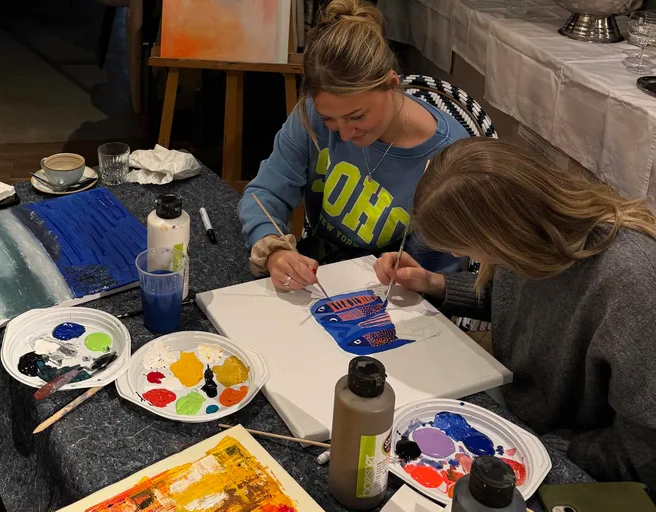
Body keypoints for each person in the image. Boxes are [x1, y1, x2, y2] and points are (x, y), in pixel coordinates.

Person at [373, 138, 656, 490]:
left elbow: (645, 453)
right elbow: (515, 302)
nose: (484, 262)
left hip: (579, 458)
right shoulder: (535, 237)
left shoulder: (632, 283)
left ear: (502, 234)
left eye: (464, 249)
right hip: (520, 415)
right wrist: (434, 284)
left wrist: (547, 450)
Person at [238, 0, 469, 292]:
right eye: (330, 119)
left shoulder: (447, 156)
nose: (345, 134)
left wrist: (411, 275)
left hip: (393, 299)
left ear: (392, 84)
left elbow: (438, 276)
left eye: (357, 116)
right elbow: (264, 194)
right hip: (320, 278)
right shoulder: (311, 115)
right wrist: (275, 251)